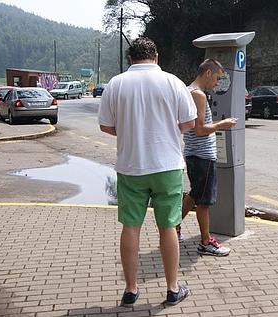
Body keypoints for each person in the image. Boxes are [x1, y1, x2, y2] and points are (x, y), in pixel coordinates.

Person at [98, 37, 196, 308]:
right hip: (167, 166)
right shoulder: (173, 82)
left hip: (131, 166)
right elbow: (189, 122)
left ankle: (130, 290)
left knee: (131, 226)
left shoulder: (116, 84)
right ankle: (172, 289)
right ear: (156, 56)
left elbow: (106, 126)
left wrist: (129, 131)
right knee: (168, 227)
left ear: (130, 59)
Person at [177, 59, 237, 256]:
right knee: (204, 202)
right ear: (208, 74)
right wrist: (223, 124)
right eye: (217, 79)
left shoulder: (188, 90)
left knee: (195, 194)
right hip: (202, 156)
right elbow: (201, 129)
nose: (217, 84)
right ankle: (205, 242)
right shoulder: (199, 95)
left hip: (194, 154)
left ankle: (174, 227)